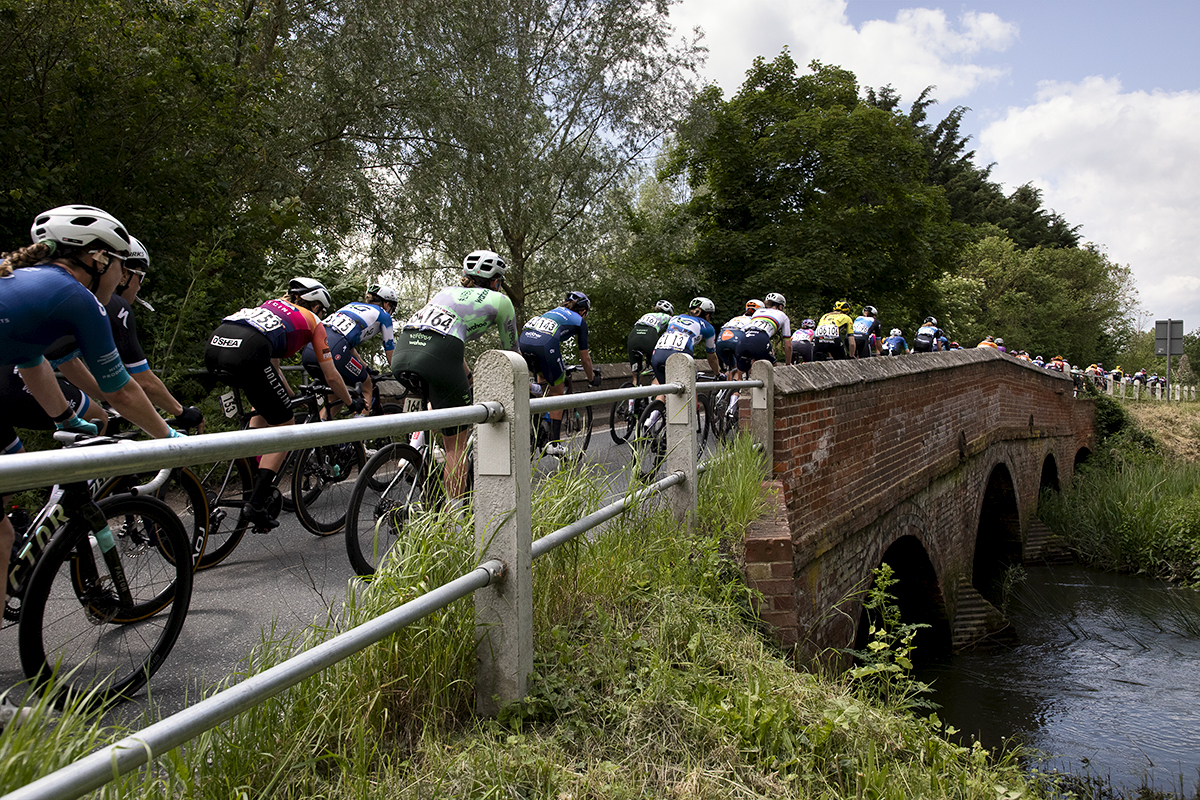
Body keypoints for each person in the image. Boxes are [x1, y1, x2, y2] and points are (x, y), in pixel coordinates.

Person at [0, 205, 182, 648]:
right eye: (120, 265)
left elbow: (32, 362)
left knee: (10, 492)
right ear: (97, 259)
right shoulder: (75, 297)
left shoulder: (26, 282)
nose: (121, 278)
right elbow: (120, 390)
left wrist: (66, 418)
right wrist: (169, 439)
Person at [205, 277, 357, 530]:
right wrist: (350, 402)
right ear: (317, 307)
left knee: (263, 409)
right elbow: (331, 375)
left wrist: (287, 393)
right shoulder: (315, 323)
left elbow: (272, 367)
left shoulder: (271, 306)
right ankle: (255, 504)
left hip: (217, 345)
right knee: (286, 425)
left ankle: (252, 474)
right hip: (248, 352)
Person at [391, 250, 518, 498]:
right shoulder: (500, 301)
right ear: (496, 281)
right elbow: (513, 353)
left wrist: (468, 376)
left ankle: (414, 449)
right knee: (456, 447)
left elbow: (442, 334)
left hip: (403, 350)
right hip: (440, 355)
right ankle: (453, 520)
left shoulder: (445, 292)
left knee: (437, 399)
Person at [46, 236, 204, 431]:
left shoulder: (76, 294)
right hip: (19, 375)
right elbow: (144, 382)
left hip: (17, 373)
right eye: (141, 277)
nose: (139, 286)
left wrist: (107, 396)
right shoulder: (113, 304)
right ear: (124, 275)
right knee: (98, 420)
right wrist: (181, 412)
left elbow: (66, 362)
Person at [518, 290, 600, 457]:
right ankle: (554, 443)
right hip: (545, 346)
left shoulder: (553, 312)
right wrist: (592, 378)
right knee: (557, 393)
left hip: (524, 343)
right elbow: (585, 359)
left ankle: (537, 428)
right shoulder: (580, 321)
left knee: (542, 383)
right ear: (583, 311)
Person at [301, 283, 398, 413]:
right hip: (335, 350)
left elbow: (349, 346)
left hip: (310, 350)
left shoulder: (351, 305)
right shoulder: (384, 315)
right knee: (367, 386)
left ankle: (319, 428)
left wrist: (366, 367)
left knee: (337, 395)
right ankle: (358, 430)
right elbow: (390, 351)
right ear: (387, 304)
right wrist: (399, 373)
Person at [650, 297, 722, 385]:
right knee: (689, 389)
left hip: (658, 353)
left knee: (665, 389)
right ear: (707, 315)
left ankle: (657, 399)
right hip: (680, 352)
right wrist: (718, 374)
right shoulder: (707, 327)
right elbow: (711, 357)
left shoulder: (676, 318)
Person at [735, 292, 792, 372]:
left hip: (744, 338)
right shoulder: (783, 315)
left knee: (741, 373)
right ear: (780, 306)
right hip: (760, 338)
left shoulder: (757, 312)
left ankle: (738, 380)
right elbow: (788, 345)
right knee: (773, 370)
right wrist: (788, 365)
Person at [626, 300, 674, 384]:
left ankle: (633, 395)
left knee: (636, 374)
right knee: (660, 369)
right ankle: (655, 393)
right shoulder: (668, 318)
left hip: (633, 336)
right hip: (649, 336)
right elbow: (669, 334)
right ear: (669, 312)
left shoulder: (646, 315)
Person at [716, 300, 762, 377]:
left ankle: (727, 387)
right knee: (744, 368)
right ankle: (743, 386)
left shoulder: (736, 318)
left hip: (721, 340)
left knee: (731, 368)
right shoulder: (755, 320)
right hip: (737, 339)